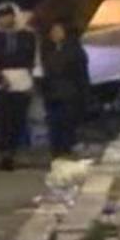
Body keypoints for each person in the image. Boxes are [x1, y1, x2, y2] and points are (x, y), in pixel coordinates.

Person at [0, 3, 39, 171]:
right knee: (3, 119)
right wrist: (0, 78)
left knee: (19, 118)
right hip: (3, 78)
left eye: (7, 16)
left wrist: (31, 81)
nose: (4, 19)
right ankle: (2, 152)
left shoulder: (28, 36)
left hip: (22, 78)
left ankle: (12, 153)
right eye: (1, 16)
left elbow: (32, 61)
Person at [41, 23, 90, 158]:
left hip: (69, 94)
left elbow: (81, 74)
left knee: (67, 124)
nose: (54, 34)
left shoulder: (75, 51)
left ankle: (66, 150)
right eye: (52, 31)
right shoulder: (48, 50)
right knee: (54, 125)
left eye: (58, 31)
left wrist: (83, 94)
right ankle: (56, 152)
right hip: (52, 94)